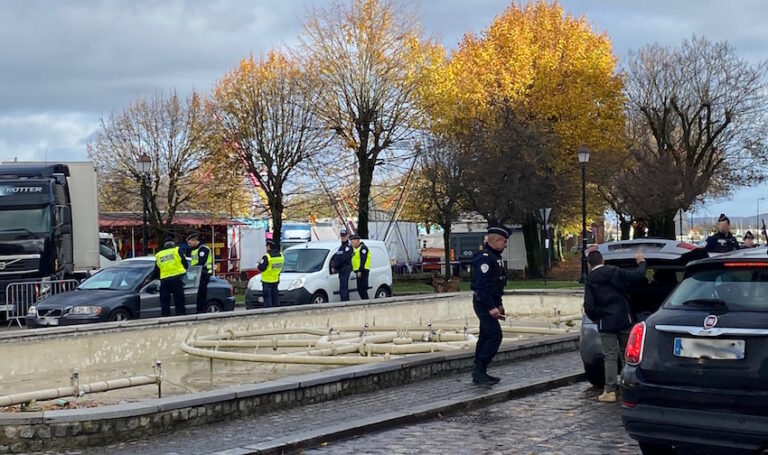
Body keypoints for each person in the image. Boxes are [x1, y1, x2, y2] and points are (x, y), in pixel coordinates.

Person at [584, 250, 646, 403]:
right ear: (603, 260)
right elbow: (637, 275)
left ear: (589, 265)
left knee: (610, 356)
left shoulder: (590, 279)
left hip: (606, 322)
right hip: (623, 318)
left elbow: (589, 306)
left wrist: (597, 318)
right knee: (627, 354)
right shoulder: (615, 272)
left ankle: (610, 390)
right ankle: (629, 387)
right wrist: (642, 263)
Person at [470, 225, 509, 387]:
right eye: (504, 241)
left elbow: (497, 285)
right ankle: (479, 370)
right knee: (494, 336)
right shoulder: (484, 258)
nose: (505, 245)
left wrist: (499, 304)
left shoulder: (494, 257)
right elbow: (483, 286)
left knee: (486, 336)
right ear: (496, 240)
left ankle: (480, 372)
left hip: (490, 302)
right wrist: (490, 307)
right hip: (483, 303)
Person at [154, 238, 189, 317]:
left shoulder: (159, 254)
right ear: (173, 244)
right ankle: (180, 316)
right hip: (177, 279)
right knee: (179, 299)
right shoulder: (176, 250)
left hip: (164, 280)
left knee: (165, 300)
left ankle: (165, 316)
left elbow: (156, 269)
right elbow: (184, 263)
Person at [187, 233, 212, 313]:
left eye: (190, 242)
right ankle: (200, 310)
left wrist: (191, 270)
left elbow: (201, 262)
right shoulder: (195, 250)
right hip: (198, 275)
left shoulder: (203, 249)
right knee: (199, 295)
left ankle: (202, 311)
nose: (189, 245)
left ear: (194, 241)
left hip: (204, 274)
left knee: (202, 294)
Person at [257, 239, 284, 308]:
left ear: (269, 246)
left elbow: (260, 267)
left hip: (267, 281)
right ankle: (276, 312)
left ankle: (268, 313)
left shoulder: (267, 257)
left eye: (266, 246)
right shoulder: (281, 255)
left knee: (267, 299)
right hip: (276, 280)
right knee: (275, 298)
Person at [331, 228, 354, 302]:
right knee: (342, 289)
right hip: (341, 270)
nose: (343, 237)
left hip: (345, 269)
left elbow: (343, 258)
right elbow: (336, 257)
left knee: (343, 289)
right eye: (342, 236)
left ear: (347, 236)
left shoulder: (348, 247)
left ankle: (345, 304)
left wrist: (335, 267)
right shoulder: (341, 247)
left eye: (344, 236)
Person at [350, 234, 371, 299]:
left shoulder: (363, 248)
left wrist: (359, 270)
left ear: (357, 240)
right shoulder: (355, 249)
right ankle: (365, 302)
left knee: (363, 289)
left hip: (363, 271)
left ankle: (367, 302)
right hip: (358, 271)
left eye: (353, 241)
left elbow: (363, 260)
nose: (351, 242)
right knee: (360, 289)